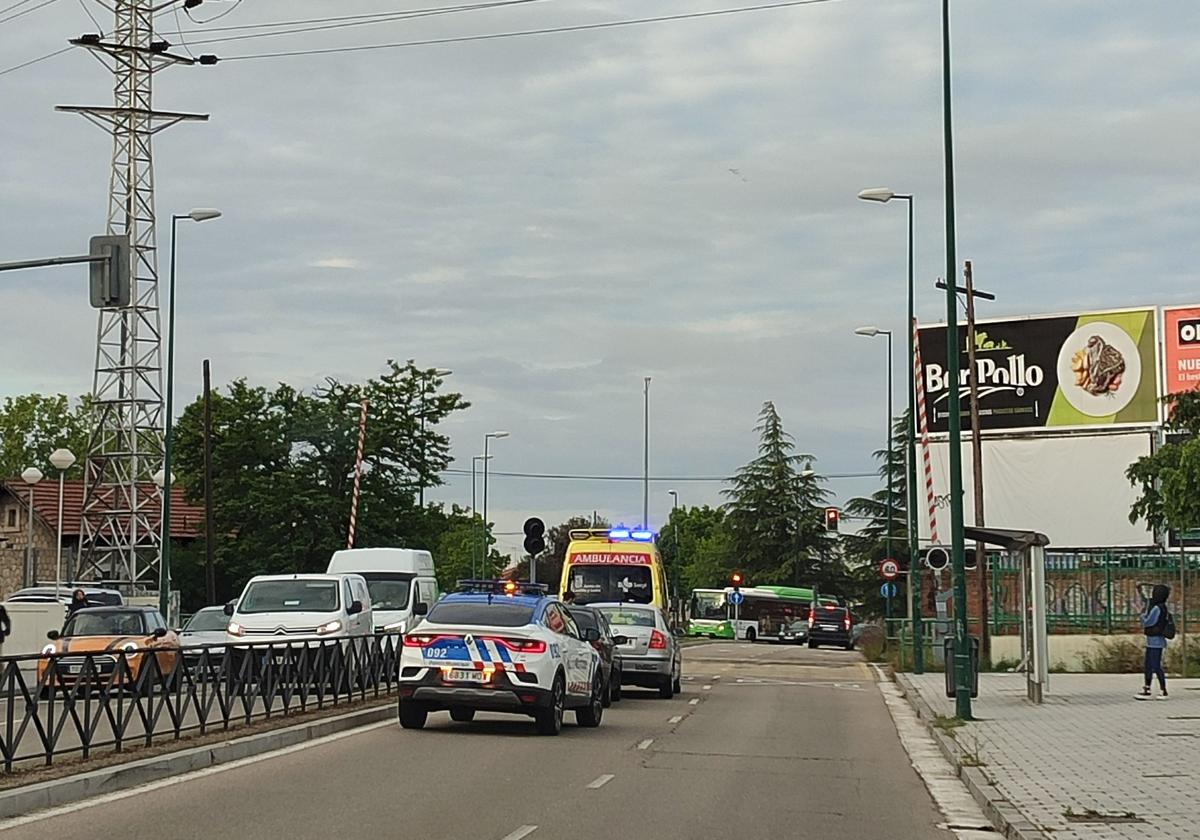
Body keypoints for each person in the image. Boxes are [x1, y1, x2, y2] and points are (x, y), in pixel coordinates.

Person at [1136, 584, 1172, 700]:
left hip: (1155, 641)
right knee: (1149, 665)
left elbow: (1148, 622)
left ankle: (1163, 690)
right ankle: (1147, 688)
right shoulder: (1163, 607)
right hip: (1154, 641)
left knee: (1155, 666)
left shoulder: (1157, 608)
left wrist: (1141, 615)